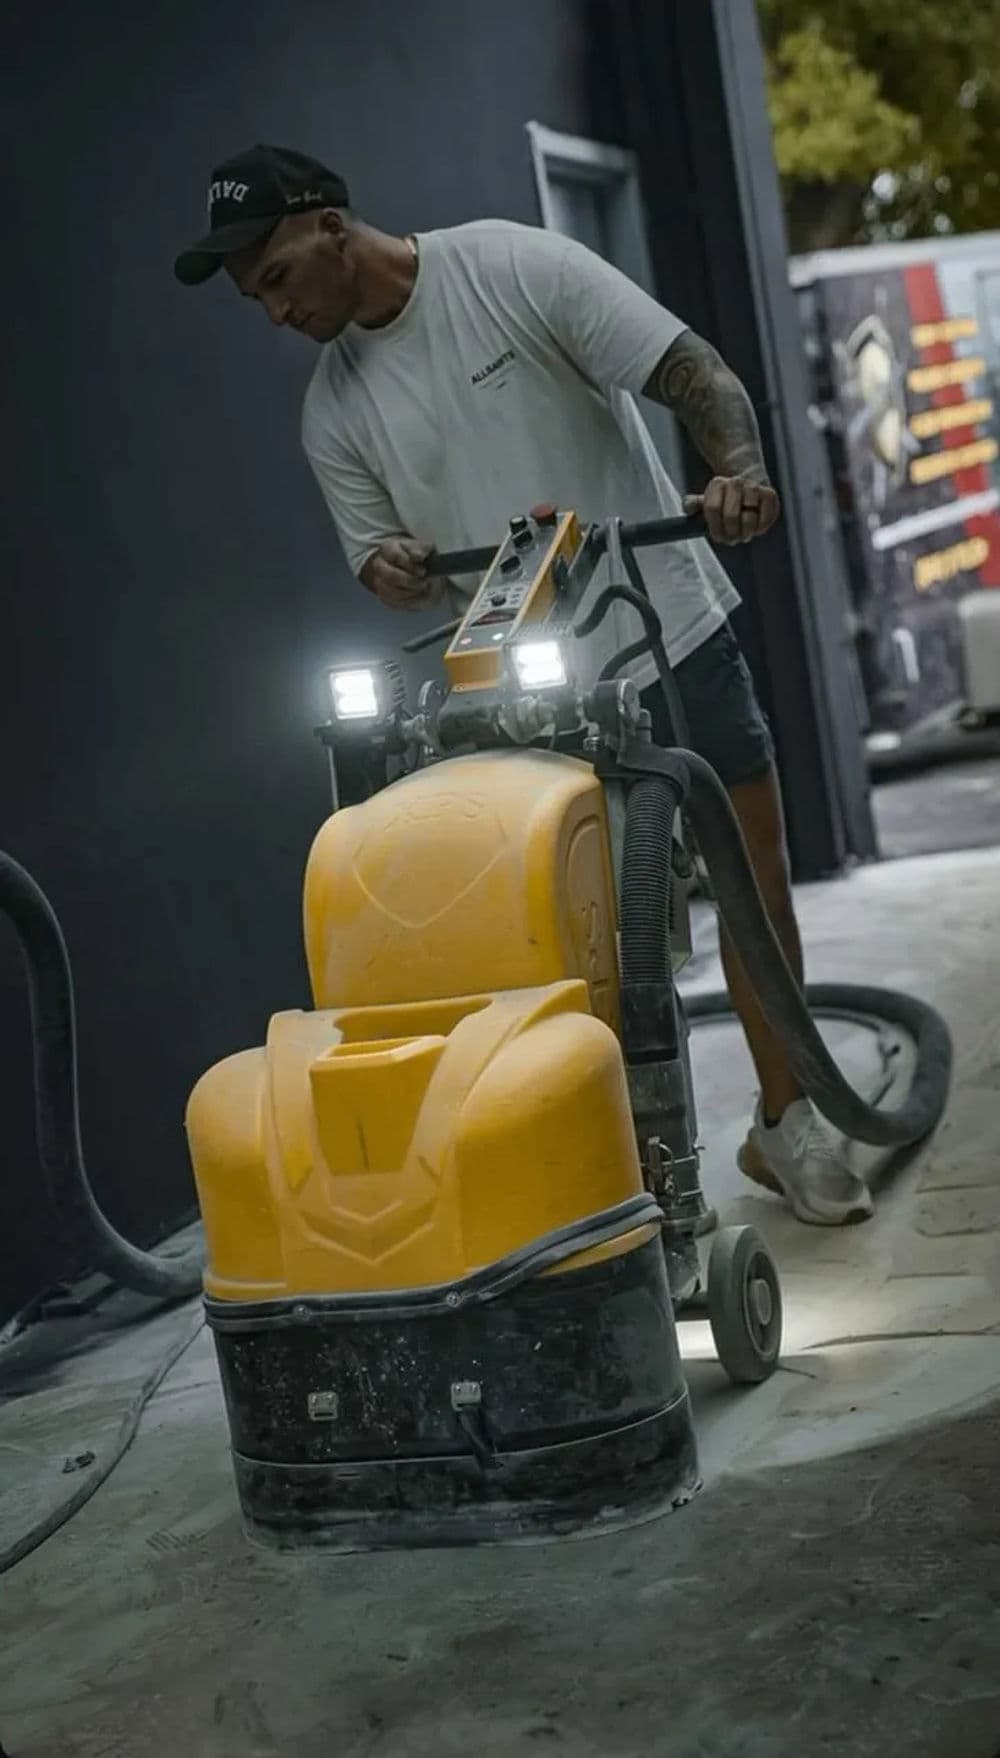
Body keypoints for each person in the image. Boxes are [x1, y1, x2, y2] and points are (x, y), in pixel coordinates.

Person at [175, 144, 872, 1227]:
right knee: (571, 938)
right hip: (516, 697)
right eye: (253, 299)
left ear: (328, 226)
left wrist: (737, 471)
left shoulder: (507, 268)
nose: (273, 313)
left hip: (668, 629)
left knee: (751, 886)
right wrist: (391, 572)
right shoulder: (332, 410)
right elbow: (380, 563)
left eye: (274, 280)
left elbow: (693, 371)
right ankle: (612, 1169)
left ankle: (791, 1122)